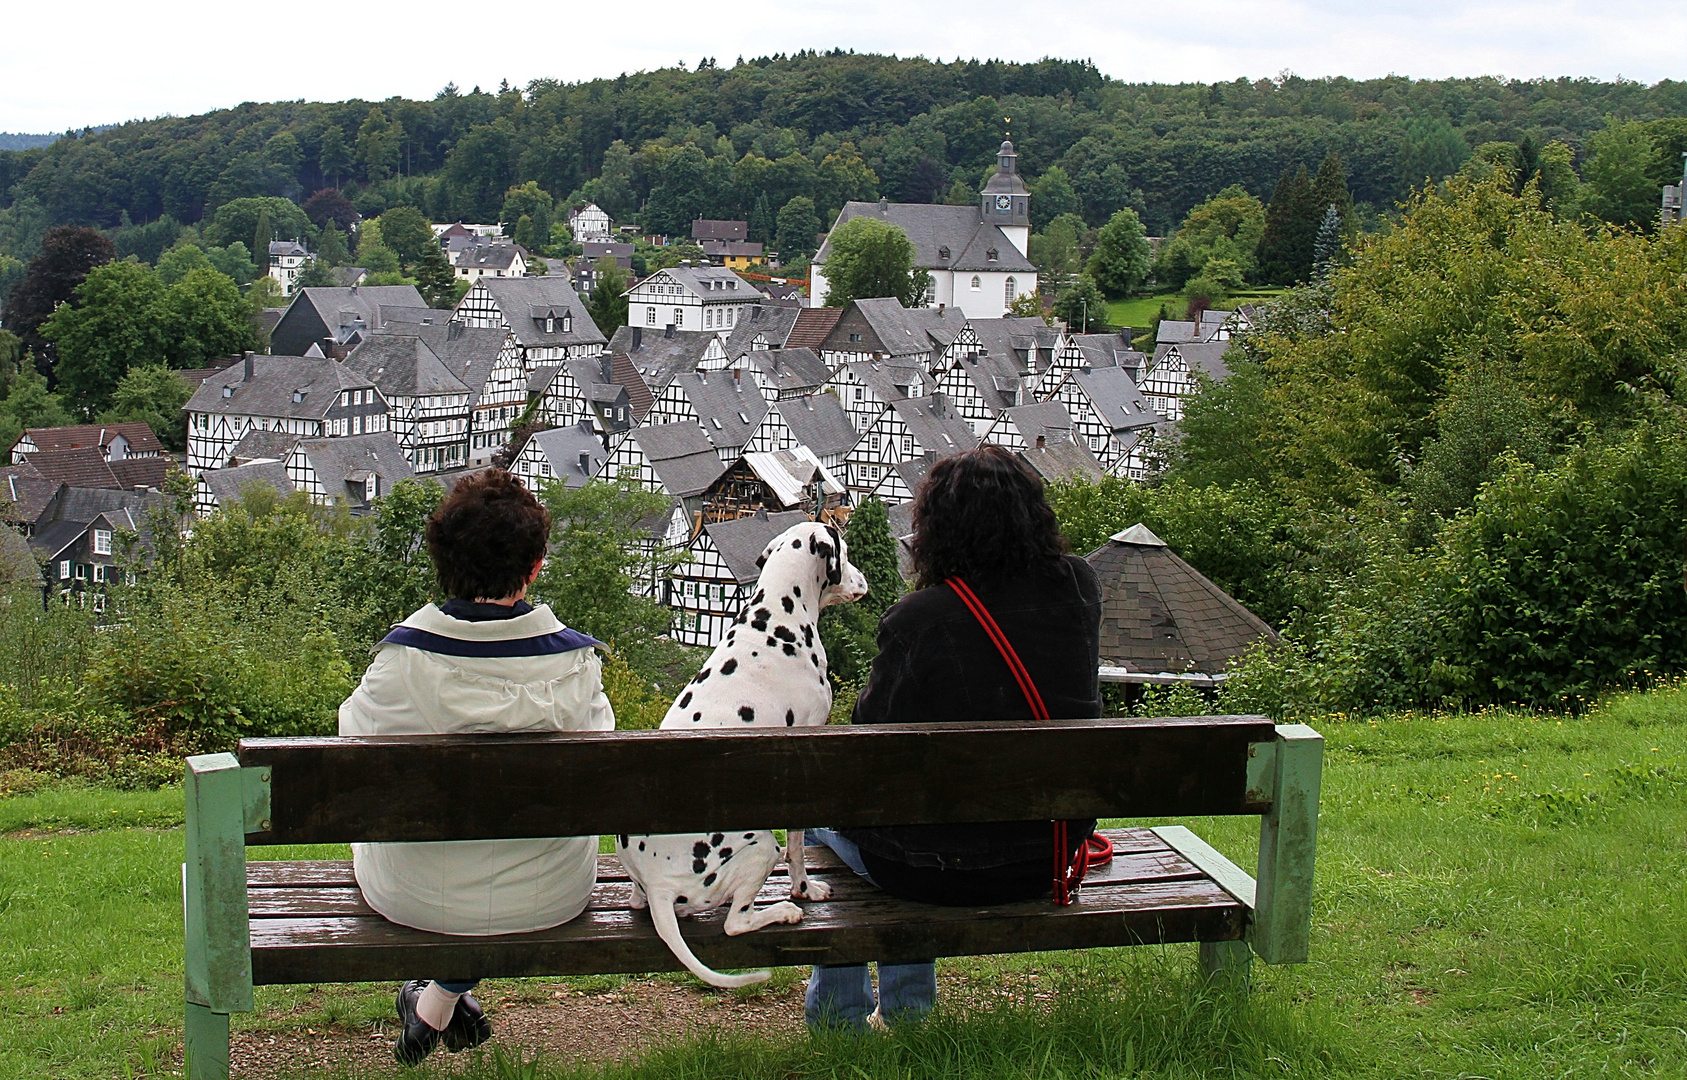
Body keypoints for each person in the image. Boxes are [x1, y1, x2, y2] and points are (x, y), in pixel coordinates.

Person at [805, 445, 1102, 1031]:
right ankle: (909, 1013)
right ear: (1034, 516)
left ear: (937, 530)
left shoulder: (923, 617)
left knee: (820, 813)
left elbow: (867, 743)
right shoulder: (1080, 587)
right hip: (1049, 854)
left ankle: (843, 1017)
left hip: (932, 868)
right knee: (914, 816)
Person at [338, 470, 614, 1065]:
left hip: (415, 895)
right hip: (551, 892)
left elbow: (353, 747)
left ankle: (438, 1000)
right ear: (535, 566)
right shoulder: (579, 667)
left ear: (442, 564)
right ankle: (442, 1000)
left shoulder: (402, 664)